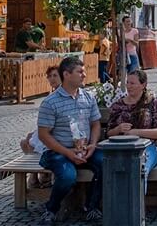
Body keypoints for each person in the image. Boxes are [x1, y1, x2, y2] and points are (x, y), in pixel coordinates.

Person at [35, 56, 105, 223]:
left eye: (84, 71)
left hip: (85, 149)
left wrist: (93, 145)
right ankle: (51, 208)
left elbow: (95, 124)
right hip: (58, 151)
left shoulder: (88, 97)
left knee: (107, 163)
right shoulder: (50, 103)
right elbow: (43, 134)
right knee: (67, 176)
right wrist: (67, 152)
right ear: (66, 74)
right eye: (80, 72)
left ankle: (92, 206)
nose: (84, 75)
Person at [105, 69, 157, 195]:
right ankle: (119, 207)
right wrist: (118, 129)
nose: (128, 86)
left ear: (143, 85)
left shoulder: (152, 103)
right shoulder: (118, 105)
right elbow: (108, 133)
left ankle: (136, 210)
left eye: (132, 83)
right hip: (121, 147)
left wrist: (135, 132)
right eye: (127, 82)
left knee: (139, 169)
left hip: (147, 148)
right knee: (116, 169)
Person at [20, 67, 62, 189]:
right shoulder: (53, 94)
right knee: (27, 141)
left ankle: (37, 177)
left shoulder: (60, 94)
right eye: (50, 76)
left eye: (55, 76)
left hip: (55, 134)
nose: (52, 79)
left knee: (27, 143)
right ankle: (39, 177)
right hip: (49, 131)